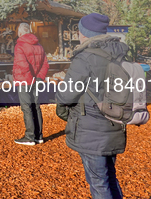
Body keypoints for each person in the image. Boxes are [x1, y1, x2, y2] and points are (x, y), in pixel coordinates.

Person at [57, 13, 127, 199]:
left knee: (98, 183)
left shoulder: (85, 58)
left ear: (84, 34)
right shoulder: (119, 53)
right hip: (115, 122)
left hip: (91, 129)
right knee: (110, 178)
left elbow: (66, 94)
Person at [13, 23, 49, 146]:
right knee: (36, 106)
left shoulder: (19, 46)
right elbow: (45, 64)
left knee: (26, 107)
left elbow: (23, 65)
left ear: (20, 32)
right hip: (35, 80)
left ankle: (29, 136)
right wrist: (39, 79)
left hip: (24, 80)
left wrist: (30, 80)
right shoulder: (39, 46)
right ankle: (39, 135)